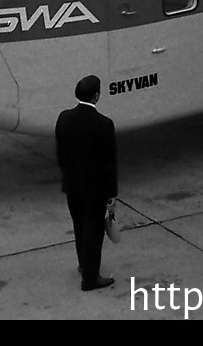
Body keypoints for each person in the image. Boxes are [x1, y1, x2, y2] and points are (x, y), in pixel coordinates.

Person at [56, 75, 118, 292]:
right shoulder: (104, 124)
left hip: (73, 186)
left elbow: (61, 154)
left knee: (79, 226)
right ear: (97, 95)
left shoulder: (64, 118)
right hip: (95, 190)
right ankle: (91, 278)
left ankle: (84, 266)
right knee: (94, 231)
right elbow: (109, 163)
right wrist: (111, 193)